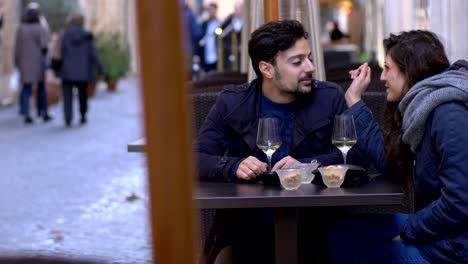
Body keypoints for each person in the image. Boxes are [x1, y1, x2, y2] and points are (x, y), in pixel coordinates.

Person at [195, 19, 367, 264]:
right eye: (297, 62)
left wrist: (305, 166)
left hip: (315, 223)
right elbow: (195, 157)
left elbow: (357, 155)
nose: (309, 67)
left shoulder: (328, 97)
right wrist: (233, 166)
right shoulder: (232, 103)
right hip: (246, 227)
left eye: (309, 58)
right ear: (267, 69)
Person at [327, 30, 468, 263]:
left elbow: (460, 202)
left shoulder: (449, 113)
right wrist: (354, 100)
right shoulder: (424, 105)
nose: (382, 77)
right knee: (339, 232)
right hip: (445, 232)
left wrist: (409, 231)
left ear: (410, 71)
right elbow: (394, 163)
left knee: (353, 250)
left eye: (388, 68)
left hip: (455, 247)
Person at [59, 13, 103, 127]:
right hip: (83, 72)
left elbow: (59, 52)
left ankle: (68, 119)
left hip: (67, 71)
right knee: (83, 95)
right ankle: (83, 115)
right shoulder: (87, 36)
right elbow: (93, 54)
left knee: (67, 96)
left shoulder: (64, 34)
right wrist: (100, 69)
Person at [15, 8, 52, 124]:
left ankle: (26, 113)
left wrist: (17, 61)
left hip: (24, 63)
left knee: (26, 88)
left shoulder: (21, 29)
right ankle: (43, 112)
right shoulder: (40, 28)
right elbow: (44, 46)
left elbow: (17, 48)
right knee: (41, 88)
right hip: (38, 63)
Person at [219, 1, 243, 71]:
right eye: (236, 9)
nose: (238, 11)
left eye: (240, 9)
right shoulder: (229, 20)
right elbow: (218, 31)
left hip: (241, 54)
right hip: (229, 51)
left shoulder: (246, 20)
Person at [199, 3, 220, 72]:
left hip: (216, 57)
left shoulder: (219, 24)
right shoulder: (204, 24)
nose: (212, 12)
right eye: (210, 10)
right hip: (206, 57)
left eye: (213, 10)